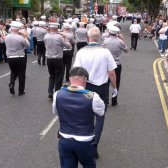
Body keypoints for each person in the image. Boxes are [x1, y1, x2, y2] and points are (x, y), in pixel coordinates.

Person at [73, 27, 117, 158]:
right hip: (101, 88)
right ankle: (94, 145)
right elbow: (112, 73)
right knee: (100, 117)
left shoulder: (81, 52)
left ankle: (85, 143)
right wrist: (115, 88)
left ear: (88, 37)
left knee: (86, 116)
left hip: (86, 87)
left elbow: (76, 71)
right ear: (99, 38)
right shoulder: (105, 52)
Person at [53, 67, 105, 168]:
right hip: (85, 140)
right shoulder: (93, 97)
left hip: (64, 139)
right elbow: (101, 112)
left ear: (69, 78)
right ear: (85, 79)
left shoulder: (58, 94)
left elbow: (55, 113)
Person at [44, 22, 71, 99]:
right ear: (56, 28)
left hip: (49, 59)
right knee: (59, 76)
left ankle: (50, 91)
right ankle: (57, 92)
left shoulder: (46, 36)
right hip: (58, 59)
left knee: (52, 76)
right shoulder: (59, 37)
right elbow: (68, 46)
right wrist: (65, 38)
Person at [103, 26, 128, 106]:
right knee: (116, 82)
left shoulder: (105, 41)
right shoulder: (120, 42)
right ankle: (114, 100)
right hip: (116, 64)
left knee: (106, 82)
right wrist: (122, 39)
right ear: (117, 33)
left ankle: (106, 100)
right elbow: (126, 50)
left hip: (106, 64)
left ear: (109, 32)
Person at [5, 21, 30, 96]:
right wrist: (25, 37)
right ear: (18, 29)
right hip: (19, 57)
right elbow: (27, 45)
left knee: (13, 72)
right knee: (21, 74)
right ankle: (21, 91)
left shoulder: (7, 37)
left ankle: (12, 83)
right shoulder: (20, 38)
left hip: (10, 57)